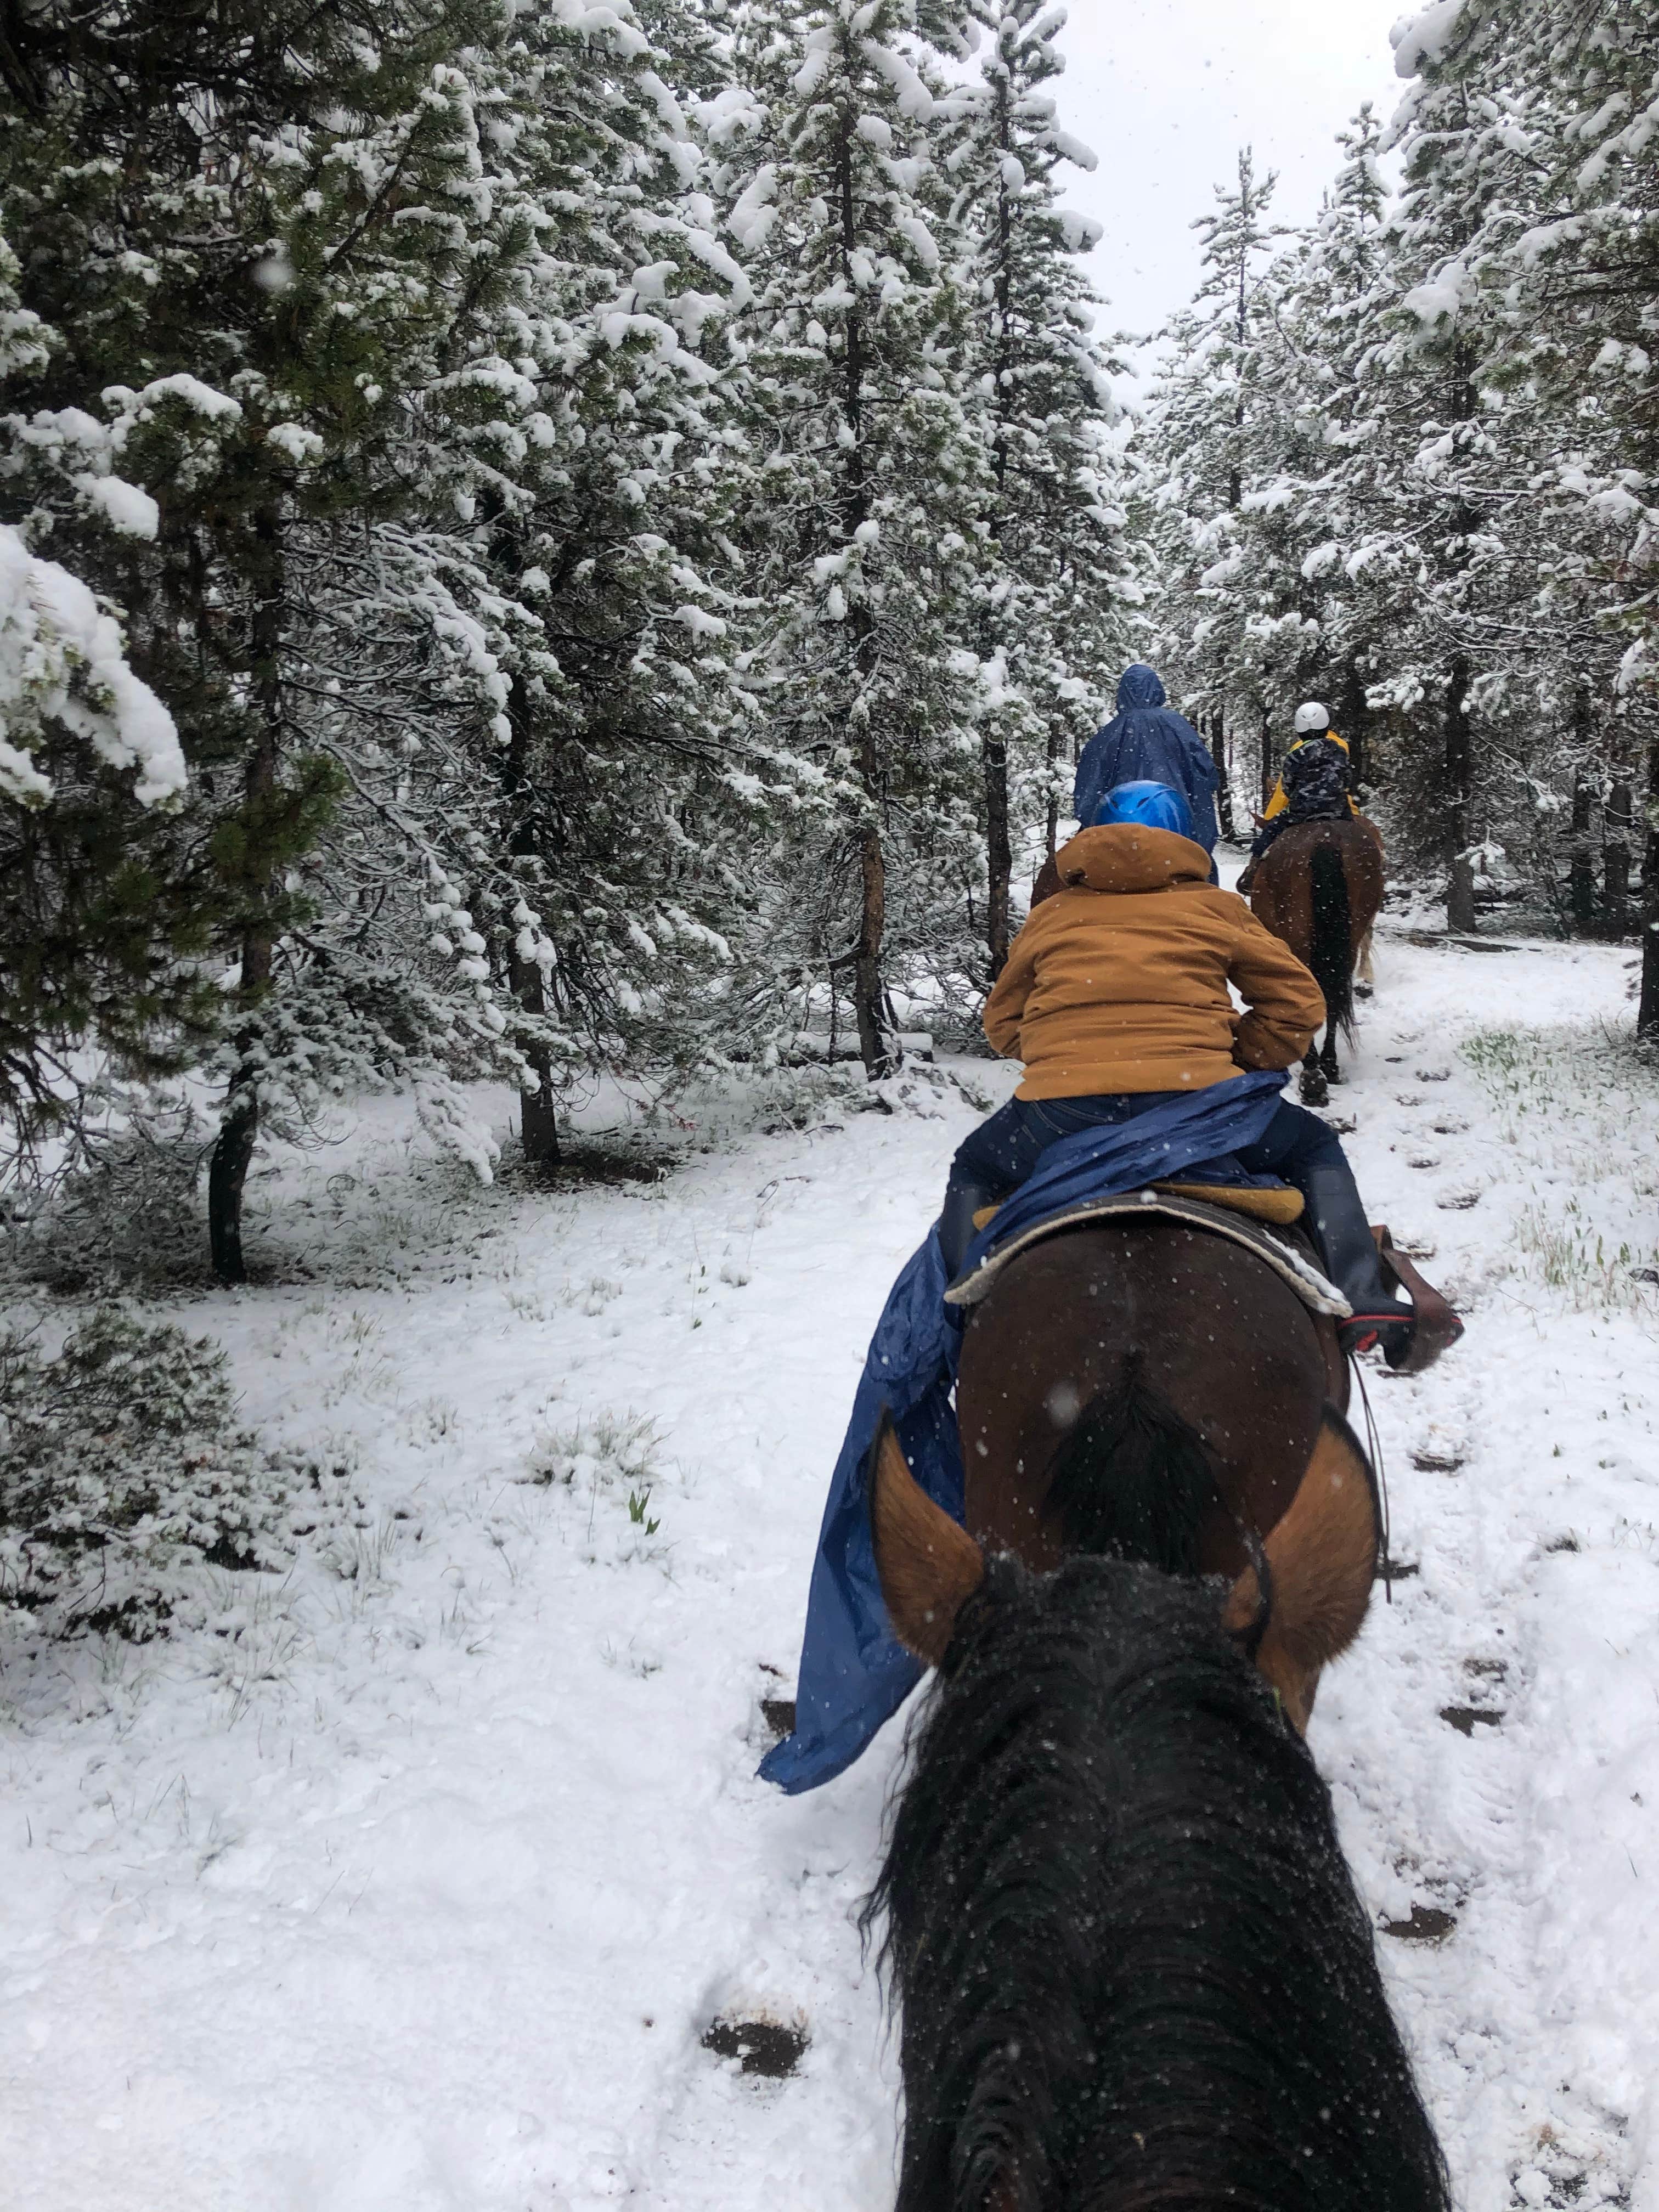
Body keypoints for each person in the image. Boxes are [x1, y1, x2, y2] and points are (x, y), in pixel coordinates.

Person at [939, 779, 1418, 1363]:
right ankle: (1361, 1294)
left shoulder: (1052, 915)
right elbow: (1300, 1005)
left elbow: (1002, 1023)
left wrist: (1065, 1053)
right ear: (1185, 839)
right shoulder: (1215, 908)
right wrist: (1242, 1055)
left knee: (975, 1165)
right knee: (1314, 1147)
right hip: (1201, 1108)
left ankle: (959, 1310)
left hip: (1060, 1116)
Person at [1074, 665, 1220, 854]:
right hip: (1174, 821)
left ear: (1123, 693)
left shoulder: (1108, 735)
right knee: (1199, 871)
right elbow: (1206, 773)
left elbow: (1089, 785)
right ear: (1157, 689)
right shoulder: (1177, 726)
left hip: (1119, 830)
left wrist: (1094, 819)